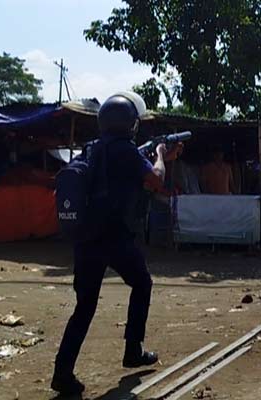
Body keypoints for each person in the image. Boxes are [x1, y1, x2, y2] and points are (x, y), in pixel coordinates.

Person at [51, 92, 180, 395]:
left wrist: (160, 156)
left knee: (84, 307)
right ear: (131, 123)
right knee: (142, 283)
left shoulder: (92, 150)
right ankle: (133, 350)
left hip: (86, 238)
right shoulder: (126, 150)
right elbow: (156, 181)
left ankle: (62, 372)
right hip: (115, 236)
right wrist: (161, 155)